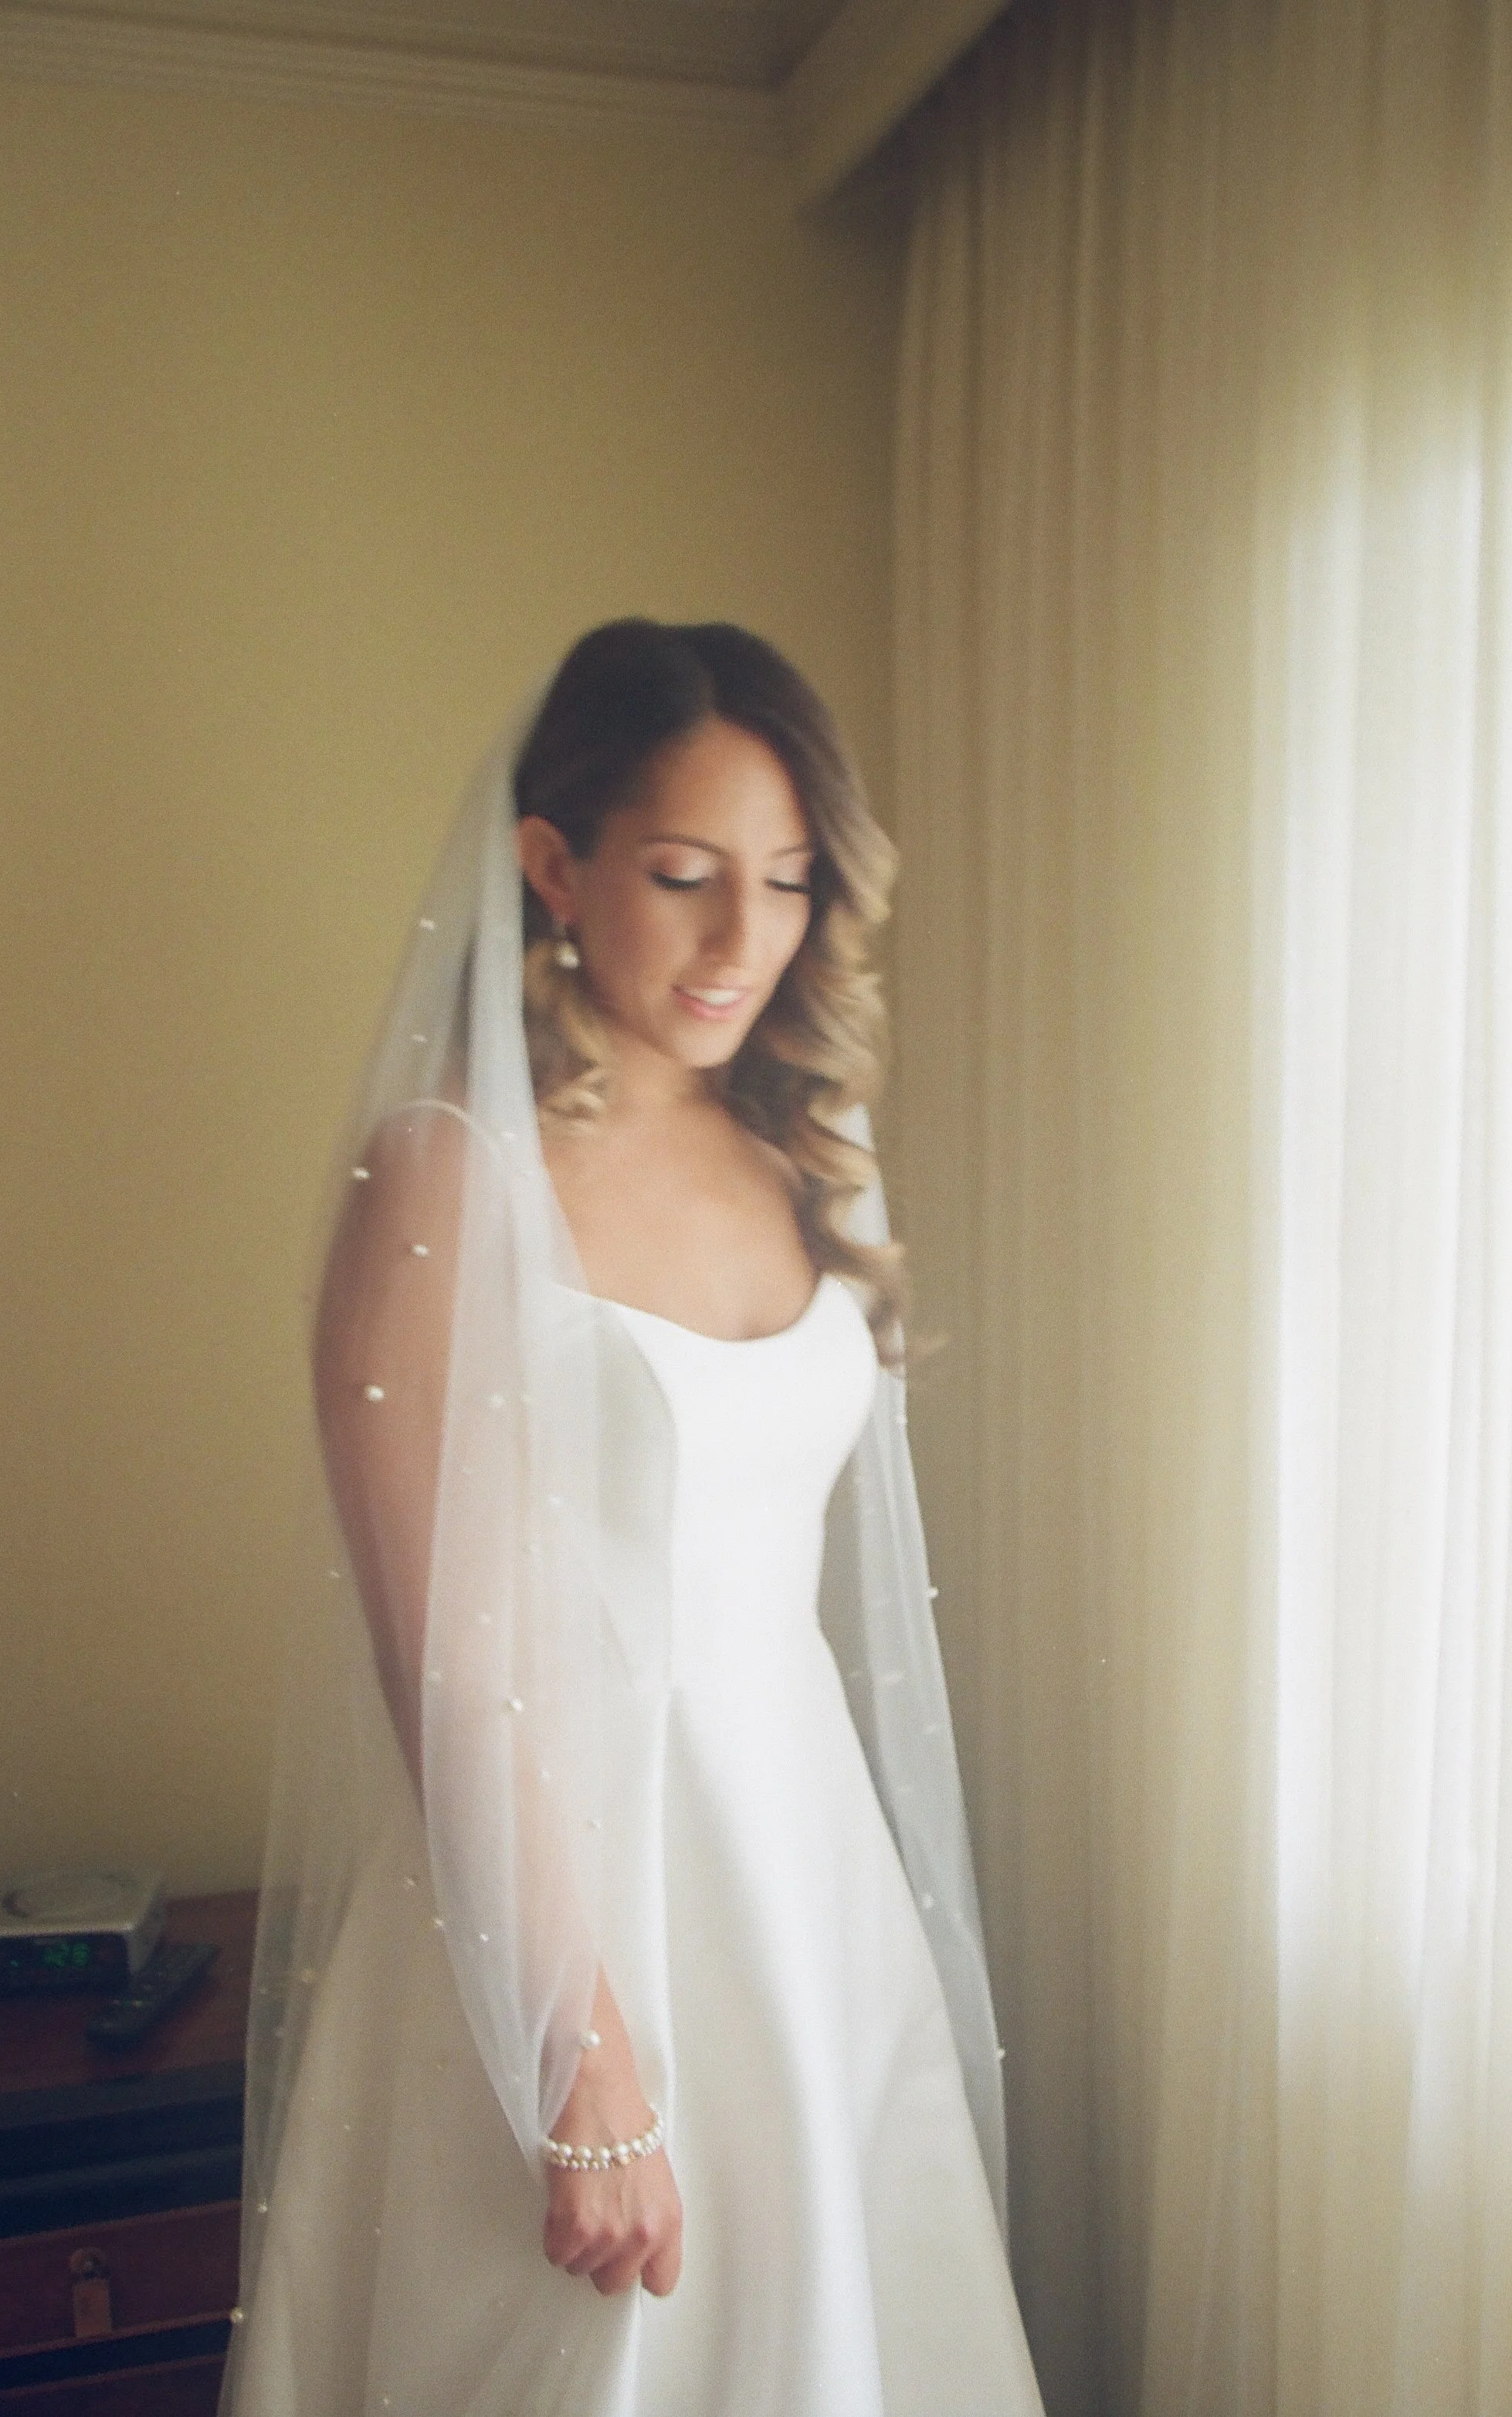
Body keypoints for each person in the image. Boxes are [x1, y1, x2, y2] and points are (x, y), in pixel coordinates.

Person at [219, 621, 1043, 2416]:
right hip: (556, 1909)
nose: (744, 941)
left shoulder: (795, 1148)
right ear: (551, 866)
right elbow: (446, 1663)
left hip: (795, 1884)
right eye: (683, 877)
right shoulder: (443, 1174)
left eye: (786, 882)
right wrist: (580, 2061)